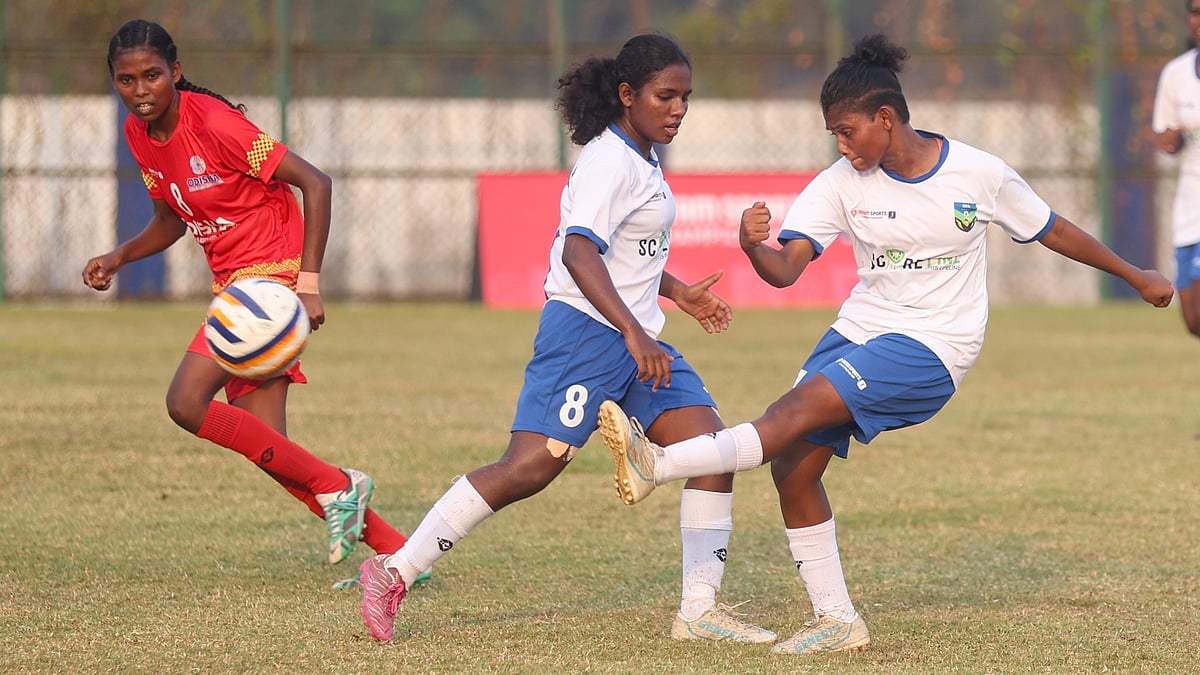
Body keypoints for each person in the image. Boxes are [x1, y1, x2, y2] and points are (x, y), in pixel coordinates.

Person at [597, 33, 1174, 656]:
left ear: (886, 118)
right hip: (860, 329)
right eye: (833, 137)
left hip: (933, 345)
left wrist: (1136, 273)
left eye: (847, 132)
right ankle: (838, 620)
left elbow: (1053, 229)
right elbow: (787, 268)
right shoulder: (841, 182)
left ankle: (658, 463)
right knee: (793, 465)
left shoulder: (977, 173)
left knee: (786, 417)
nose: (842, 147)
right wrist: (751, 246)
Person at [358, 33, 776, 645]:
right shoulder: (609, 160)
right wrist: (633, 331)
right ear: (627, 95)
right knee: (528, 468)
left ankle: (700, 611)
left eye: (686, 96)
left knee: (711, 451)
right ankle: (392, 570)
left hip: (637, 343)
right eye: (666, 95)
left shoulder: (645, 156)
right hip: (586, 334)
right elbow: (579, 251)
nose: (679, 108)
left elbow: (625, 253)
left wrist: (676, 291)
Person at [84, 18, 413, 571]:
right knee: (272, 449)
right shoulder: (138, 134)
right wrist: (119, 256)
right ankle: (400, 552)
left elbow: (317, 183)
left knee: (186, 403)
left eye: (152, 76)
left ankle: (341, 484)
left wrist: (307, 284)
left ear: (176, 72)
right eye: (126, 80)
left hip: (272, 281)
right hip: (234, 284)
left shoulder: (214, 122)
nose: (140, 91)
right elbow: (170, 220)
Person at [1152, 0, 1200, 338]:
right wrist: (1174, 138)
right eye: (1196, 11)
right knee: (1194, 319)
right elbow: (1165, 139)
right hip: (1190, 206)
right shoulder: (1176, 73)